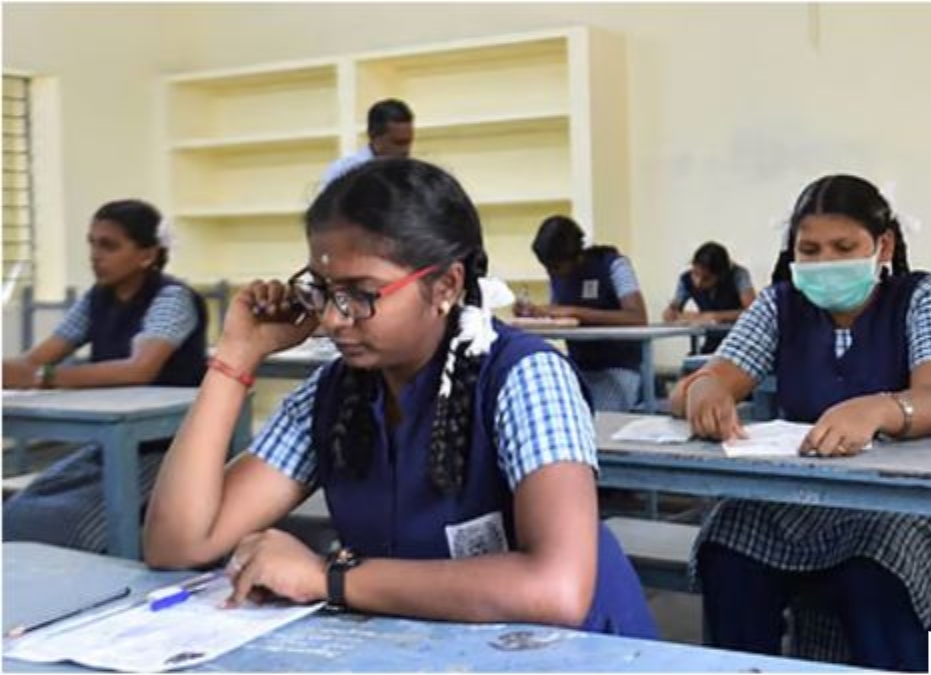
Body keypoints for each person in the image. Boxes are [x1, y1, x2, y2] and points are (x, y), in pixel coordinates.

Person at [143, 159, 657, 639]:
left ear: (446, 285)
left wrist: (329, 578)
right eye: (322, 289)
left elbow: (556, 589)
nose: (332, 318)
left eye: (361, 292)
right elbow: (179, 543)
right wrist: (237, 356)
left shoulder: (526, 377)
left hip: (578, 653)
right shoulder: (334, 392)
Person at [671, 175, 931, 671]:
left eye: (844, 248)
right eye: (810, 250)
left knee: (874, 574)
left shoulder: (924, 296)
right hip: (809, 488)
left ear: (883, 245)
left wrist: (879, 409)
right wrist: (705, 390)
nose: (825, 263)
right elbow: (707, 380)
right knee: (727, 549)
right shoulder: (781, 305)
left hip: (909, 494)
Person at [3, 199, 208, 553]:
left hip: (170, 447)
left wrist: (41, 376)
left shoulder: (172, 298)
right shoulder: (97, 299)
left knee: (70, 528)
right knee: (15, 512)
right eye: (92, 244)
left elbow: (139, 369)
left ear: (147, 255)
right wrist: (20, 372)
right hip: (112, 443)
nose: (95, 256)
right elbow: (36, 360)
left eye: (108, 246)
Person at [521, 215, 649, 411]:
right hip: (579, 367)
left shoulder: (613, 266)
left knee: (595, 415)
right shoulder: (558, 277)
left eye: (555, 267)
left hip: (618, 368)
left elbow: (638, 318)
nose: (551, 274)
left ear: (575, 257)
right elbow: (559, 318)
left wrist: (575, 312)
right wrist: (534, 314)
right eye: (546, 268)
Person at [662, 242, 755, 354]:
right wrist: (673, 313)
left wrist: (716, 316)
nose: (698, 283)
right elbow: (671, 312)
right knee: (691, 361)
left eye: (706, 278)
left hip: (740, 343)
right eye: (695, 274)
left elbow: (753, 313)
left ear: (721, 275)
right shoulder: (686, 279)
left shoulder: (738, 275)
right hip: (711, 342)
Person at [319, 99, 414, 189]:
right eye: (398, 143)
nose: (405, 150)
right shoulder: (342, 172)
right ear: (374, 136)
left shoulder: (414, 175)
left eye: (408, 142)